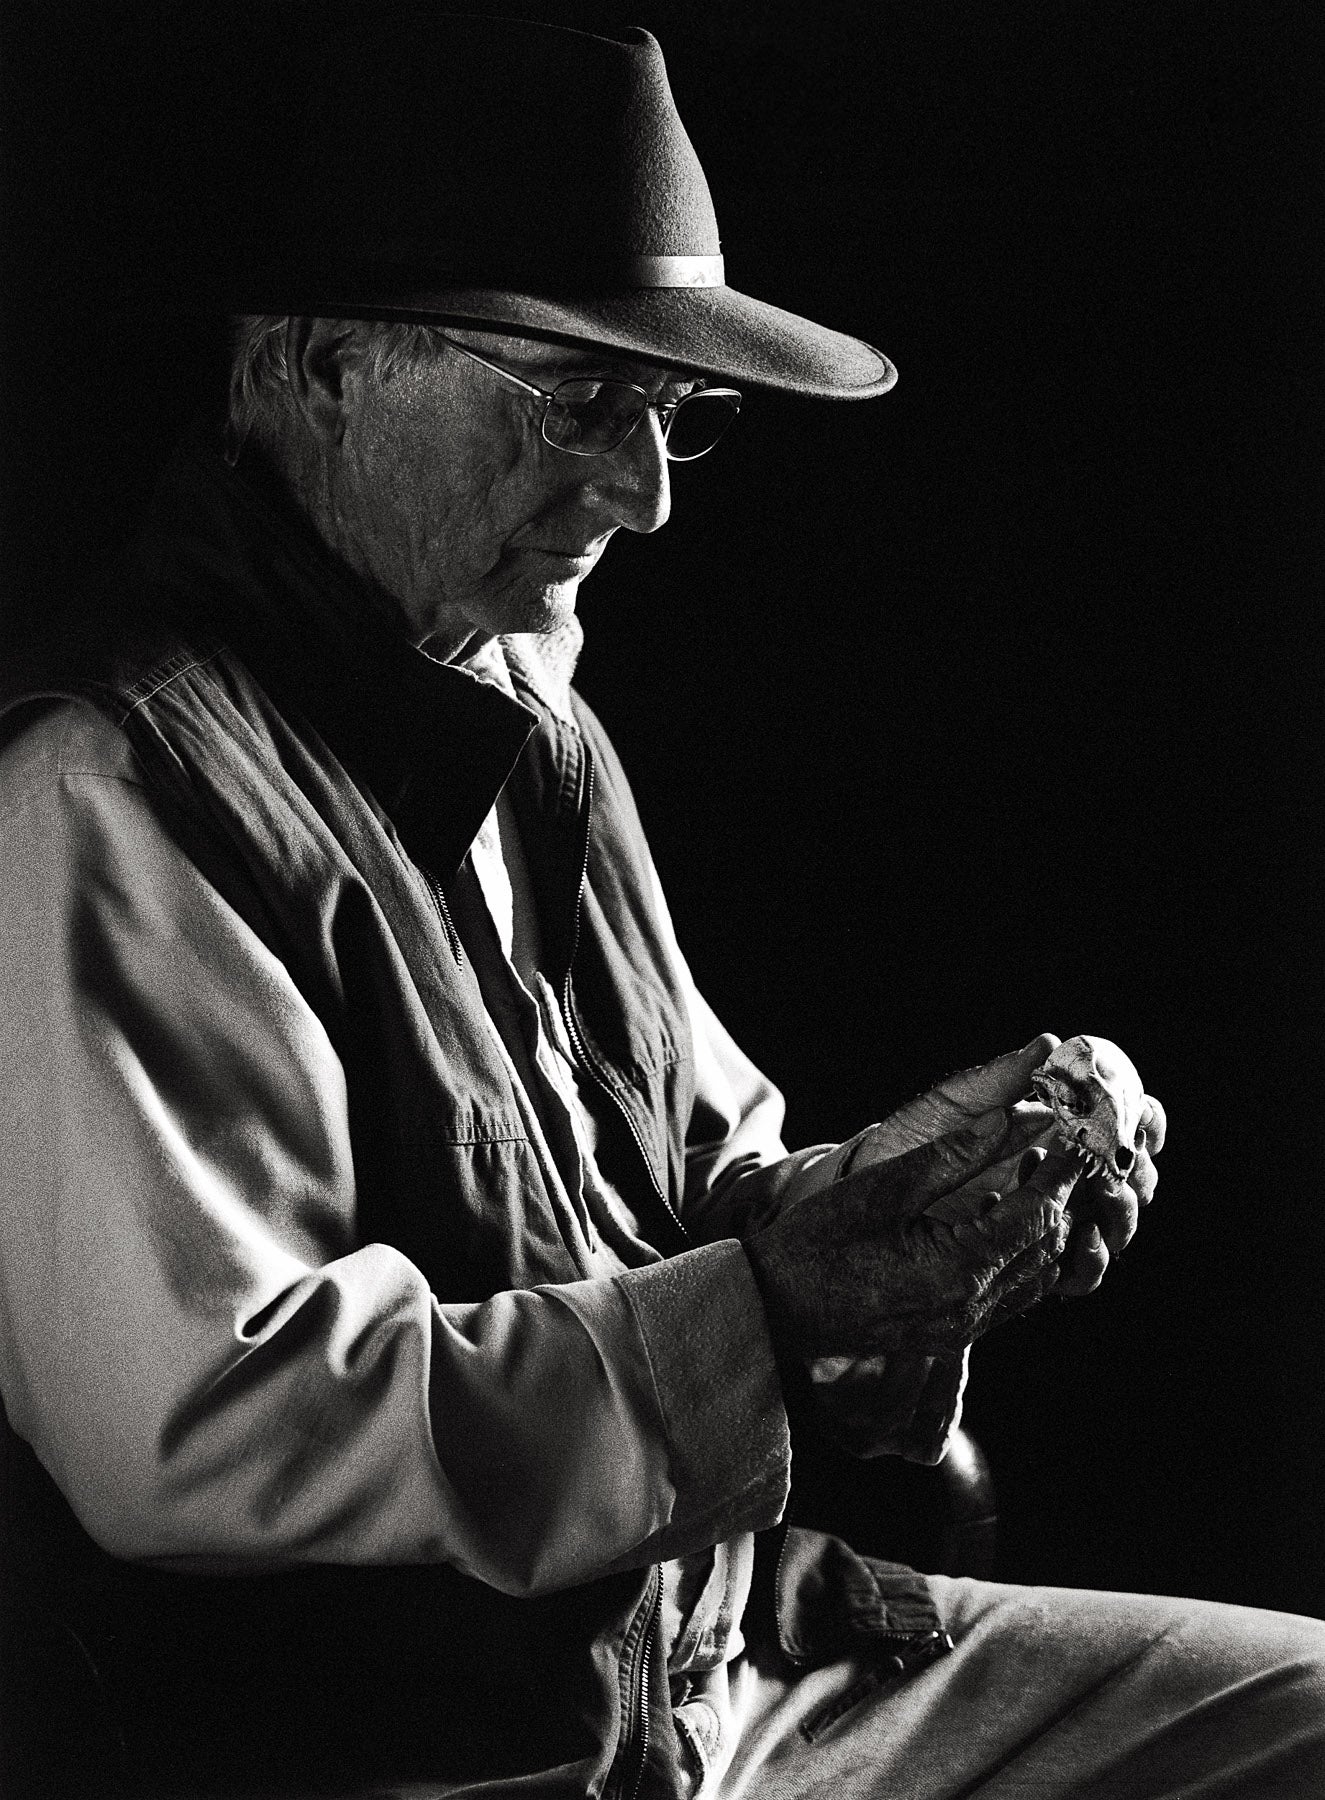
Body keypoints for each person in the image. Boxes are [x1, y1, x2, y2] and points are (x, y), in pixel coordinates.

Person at [0, 14, 1321, 1799]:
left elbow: (701, 1179)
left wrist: (907, 1229)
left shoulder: (527, 706)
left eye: (673, 415)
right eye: (578, 403)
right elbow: (203, 1432)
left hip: (728, 1670)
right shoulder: (105, 794)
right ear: (318, 368)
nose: (642, 494)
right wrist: (777, 1304)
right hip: (464, 1756)